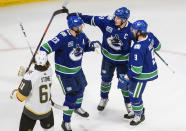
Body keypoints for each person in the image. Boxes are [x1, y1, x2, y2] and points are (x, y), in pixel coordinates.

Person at [39, 15, 100, 131]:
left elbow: (85, 46)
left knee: (81, 88)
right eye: (80, 25)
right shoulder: (63, 37)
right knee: (71, 97)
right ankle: (65, 122)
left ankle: (78, 108)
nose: (82, 26)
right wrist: (42, 53)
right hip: (65, 74)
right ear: (74, 27)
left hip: (77, 70)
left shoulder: (81, 35)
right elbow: (47, 46)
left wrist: (93, 46)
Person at [69, 7, 134, 113]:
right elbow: (92, 19)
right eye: (115, 17)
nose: (115, 19)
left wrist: (148, 42)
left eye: (118, 18)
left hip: (123, 62)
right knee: (105, 80)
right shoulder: (107, 21)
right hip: (107, 59)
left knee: (124, 83)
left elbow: (140, 38)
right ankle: (104, 98)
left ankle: (128, 103)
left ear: (125, 20)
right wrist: (78, 16)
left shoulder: (131, 29)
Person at [118, 20, 161, 126]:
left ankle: (139, 115)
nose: (132, 30)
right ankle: (136, 110)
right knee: (131, 91)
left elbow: (137, 70)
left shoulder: (138, 48)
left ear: (139, 32)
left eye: (134, 30)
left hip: (142, 75)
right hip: (148, 70)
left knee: (135, 96)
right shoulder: (150, 35)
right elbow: (158, 46)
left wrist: (127, 76)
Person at [15, 51, 54, 131]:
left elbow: (20, 98)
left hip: (31, 112)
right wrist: (28, 72)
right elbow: (39, 73)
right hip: (47, 111)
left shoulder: (29, 77)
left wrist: (24, 77)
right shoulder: (50, 71)